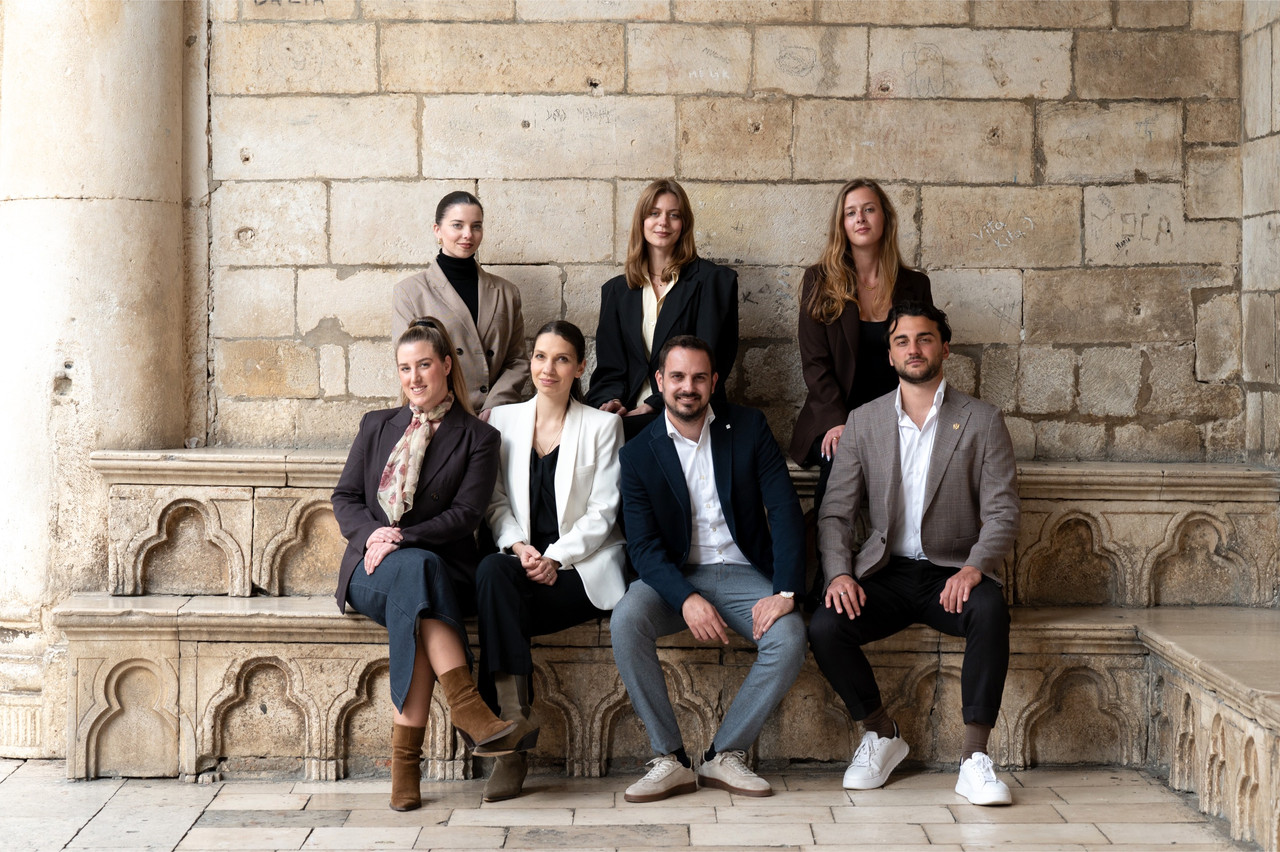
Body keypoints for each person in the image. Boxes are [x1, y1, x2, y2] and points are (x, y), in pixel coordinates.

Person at [809, 302, 1020, 806]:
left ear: (944, 348)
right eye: (902, 341)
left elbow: (1003, 512)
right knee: (825, 626)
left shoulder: (982, 420)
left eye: (925, 339)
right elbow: (835, 514)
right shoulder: (864, 421)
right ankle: (881, 733)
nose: (914, 349)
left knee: (990, 610)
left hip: (951, 573)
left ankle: (974, 759)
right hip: (885, 573)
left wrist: (974, 568)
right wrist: (839, 574)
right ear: (890, 354)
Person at [331, 318, 535, 812]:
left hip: (441, 569)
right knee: (416, 583)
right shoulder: (376, 425)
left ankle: (405, 768)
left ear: (446, 365)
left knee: (419, 587)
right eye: (405, 368)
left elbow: (465, 515)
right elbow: (345, 498)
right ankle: (468, 708)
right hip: (372, 568)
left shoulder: (478, 437)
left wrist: (402, 536)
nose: (414, 377)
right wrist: (375, 535)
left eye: (424, 365)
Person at [610, 335, 806, 802]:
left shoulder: (749, 427)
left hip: (744, 571)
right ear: (660, 381)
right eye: (677, 377)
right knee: (626, 620)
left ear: (714, 382)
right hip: (676, 576)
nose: (688, 387)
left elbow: (784, 510)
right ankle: (670, 759)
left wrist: (785, 591)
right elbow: (643, 546)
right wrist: (686, 598)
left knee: (790, 637)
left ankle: (725, 754)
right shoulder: (637, 451)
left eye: (699, 377)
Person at [475, 320, 627, 802]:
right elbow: (495, 501)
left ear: (580, 367)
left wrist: (555, 558)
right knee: (492, 571)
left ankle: (505, 742)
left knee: (498, 609)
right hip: (522, 563)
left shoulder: (603, 426)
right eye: (541, 357)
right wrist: (520, 547)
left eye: (562, 359)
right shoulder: (503, 421)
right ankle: (514, 728)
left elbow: (604, 511)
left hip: (579, 572)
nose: (549, 368)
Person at [791, 179, 933, 513]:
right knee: (842, 457)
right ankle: (829, 547)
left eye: (869, 209)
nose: (861, 219)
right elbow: (815, 364)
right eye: (851, 213)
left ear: (885, 218)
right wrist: (838, 421)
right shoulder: (819, 281)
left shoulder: (915, 285)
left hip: (897, 415)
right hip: (835, 414)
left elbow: (924, 354)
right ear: (841, 224)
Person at [587, 179, 738, 440]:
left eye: (673, 215)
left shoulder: (714, 282)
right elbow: (610, 368)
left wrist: (654, 403)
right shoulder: (617, 291)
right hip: (629, 414)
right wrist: (612, 401)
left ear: (684, 224)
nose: (663, 222)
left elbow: (710, 362)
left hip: (687, 414)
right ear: (641, 222)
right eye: (654, 213)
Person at [392, 191, 528, 418]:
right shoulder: (410, 292)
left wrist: (494, 406)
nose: (468, 234)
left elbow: (517, 360)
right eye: (457, 225)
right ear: (437, 230)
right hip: (437, 416)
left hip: (495, 416)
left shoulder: (506, 292)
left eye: (476, 226)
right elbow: (408, 362)